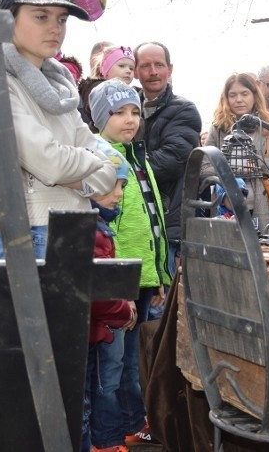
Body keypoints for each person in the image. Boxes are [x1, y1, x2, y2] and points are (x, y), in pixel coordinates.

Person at [0, 0, 116, 260]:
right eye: (41, 16)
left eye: (61, 19)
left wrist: (87, 171)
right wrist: (92, 165)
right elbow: (51, 163)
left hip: (75, 230)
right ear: (7, 20)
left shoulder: (62, 90)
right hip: (29, 232)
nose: (55, 28)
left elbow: (109, 173)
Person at [88, 79, 170, 446]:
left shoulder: (137, 157)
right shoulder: (99, 156)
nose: (129, 119)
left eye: (135, 111)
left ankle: (133, 422)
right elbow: (107, 228)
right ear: (99, 116)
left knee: (133, 364)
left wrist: (160, 276)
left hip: (143, 276)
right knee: (111, 366)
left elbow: (155, 222)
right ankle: (107, 435)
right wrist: (117, 286)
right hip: (116, 282)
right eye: (119, 112)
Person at [135, 42, 202, 278]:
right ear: (135, 71)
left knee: (167, 302)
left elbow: (171, 160)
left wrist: (125, 171)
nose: (153, 71)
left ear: (169, 69)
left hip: (168, 221)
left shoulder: (183, 109)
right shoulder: (128, 106)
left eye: (159, 65)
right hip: (136, 221)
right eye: (145, 66)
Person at [84, 148, 134, 452]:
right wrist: (122, 311)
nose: (118, 193)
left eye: (122, 186)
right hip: (98, 331)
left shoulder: (101, 225)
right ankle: (105, 443)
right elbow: (97, 292)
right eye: (111, 184)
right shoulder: (93, 230)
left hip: (100, 328)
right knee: (102, 388)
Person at [205, 73, 269, 231]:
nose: (239, 99)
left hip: (264, 212)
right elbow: (203, 167)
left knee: (265, 255)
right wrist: (230, 170)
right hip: (226, 213)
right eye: (233, 95)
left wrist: (254, 163)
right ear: (226, 98)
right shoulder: (218, 128)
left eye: (244, 94)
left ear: (254, 96)